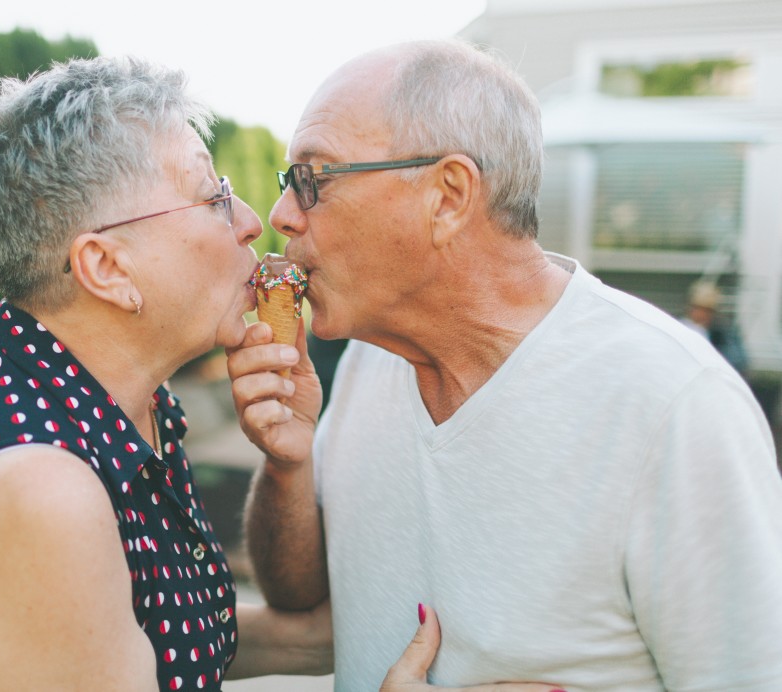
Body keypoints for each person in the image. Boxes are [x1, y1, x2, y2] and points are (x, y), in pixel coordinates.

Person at [227, 39, 782, 691]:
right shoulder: (369, 363)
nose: (281, 216)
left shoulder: (672, 403)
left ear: (449, 195)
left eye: (313, 180)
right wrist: (288, 464)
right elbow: (300, 599)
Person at [0, 56, 350, 691]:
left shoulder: (110, 406)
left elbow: (156, 637)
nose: (254, 220)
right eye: (213, 197)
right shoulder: (41, 495)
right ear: (107, 268)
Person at [680, 279, 749, 375]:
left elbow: (738, 360)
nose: (702, 314)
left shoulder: (723, 332)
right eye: (698, 309)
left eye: (708, 311)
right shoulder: (680, 327)